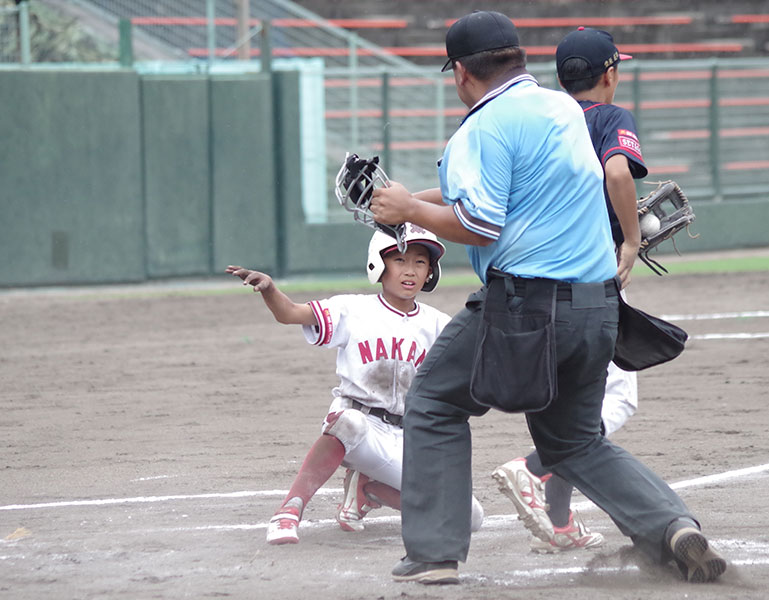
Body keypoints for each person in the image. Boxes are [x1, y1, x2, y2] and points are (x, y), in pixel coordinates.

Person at [370, 10, 726, 585]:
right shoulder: (562, 108)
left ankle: (434, 554)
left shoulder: (478, 129)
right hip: (598, 306)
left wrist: (410, 212)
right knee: (575, 440)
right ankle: (672, 528)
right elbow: (516, 186)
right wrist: (411, 196)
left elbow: (480, 222)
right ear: (518, 59)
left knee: (435, 400)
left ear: (460, 73)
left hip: (525, 309)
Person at [225, 223, 484, 545]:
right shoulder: (353, 309)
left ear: (431, 271)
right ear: (379, 263)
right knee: (348, 422)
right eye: (400, 260)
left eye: (420, 262)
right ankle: (289, 511)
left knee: (470, 517)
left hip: (410, 438)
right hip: (360, 427)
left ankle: (368, 489)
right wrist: (269, 290)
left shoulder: (439, 324)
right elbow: (291, 313)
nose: (411, 271)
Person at [492, 27, 647, 554]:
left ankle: (558, 519)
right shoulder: (607, 116)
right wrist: (630, 239)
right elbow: (618, 172)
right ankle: (532, 467)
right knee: (615, 394)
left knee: (568, 396)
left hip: (534, 280)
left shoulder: (543, 119)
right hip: (590, 276)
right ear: (610, 73)